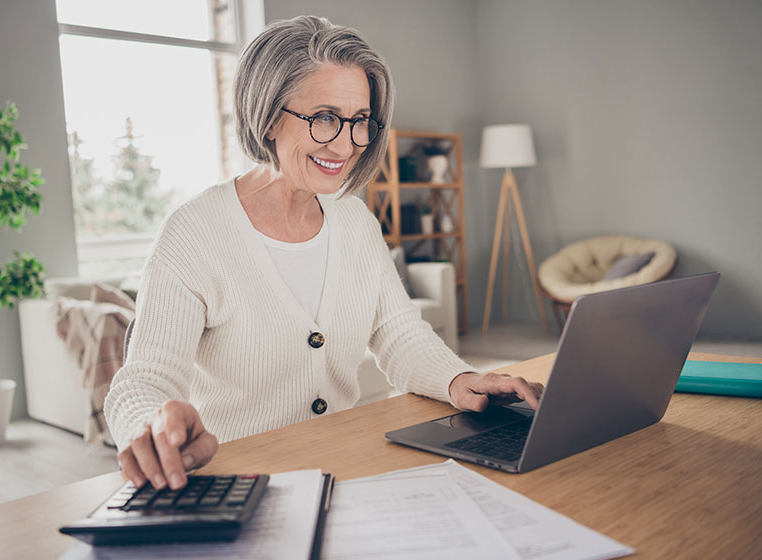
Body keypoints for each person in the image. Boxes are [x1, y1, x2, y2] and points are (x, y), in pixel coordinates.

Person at [105, 15, 544, 492]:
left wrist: (458, 379)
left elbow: (398, 335)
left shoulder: (355, 221)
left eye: (360, 122)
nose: (346, 144)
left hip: (342, 469)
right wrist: (150, 426)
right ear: (269, 117)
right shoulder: (193, 233)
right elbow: (143, 379)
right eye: (325, 118)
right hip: (239, 483)